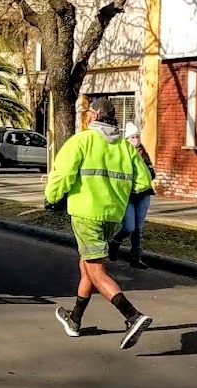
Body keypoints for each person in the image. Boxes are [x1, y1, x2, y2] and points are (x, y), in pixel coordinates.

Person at [44, 98, 155, 349]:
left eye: (87, 113)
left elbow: (61, 174)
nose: (86, 117)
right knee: (87, 266)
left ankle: (133, 316)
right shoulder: (126, 148)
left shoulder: (81, 141)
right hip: (112, 216)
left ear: (94, 116)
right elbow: (143, 182)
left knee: (96, 271)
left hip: (86, 214)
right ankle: (74, 320)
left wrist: (51, 198)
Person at [110, 122, 156, 269]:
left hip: (143, 194)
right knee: (129, 227)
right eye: (132, 137)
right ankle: (115, 243)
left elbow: (151, 173)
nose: (135, 140)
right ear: (126, 139)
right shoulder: (122, 153)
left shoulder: (143, 152)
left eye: (137, 137)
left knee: (138, 228)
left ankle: (135, 258)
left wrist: (146, 173)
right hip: (128, 195)